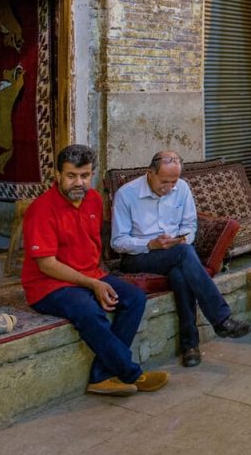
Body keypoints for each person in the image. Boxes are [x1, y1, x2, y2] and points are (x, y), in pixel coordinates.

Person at [22, 144, 169, 396]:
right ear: (57, 175)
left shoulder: (93, 200)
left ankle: (101, 377)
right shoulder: (41, 209)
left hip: (90, 274)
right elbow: (46, 264)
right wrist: (93, 285)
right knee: (89, 311)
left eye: (85, 175)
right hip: (49, 285)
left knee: (133, 298)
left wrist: (98, 279)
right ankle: (132, 373)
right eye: (71, 176)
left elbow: (92, 245)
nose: (78, 182)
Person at [112, 150, 251, 368]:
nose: (169, 188)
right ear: (150, 173)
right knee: (185, 256)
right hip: (138, 256)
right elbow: (118, 241)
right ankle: (221, 319)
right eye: (163, 182)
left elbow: (189, 225)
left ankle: (190, 346)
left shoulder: (182, 188)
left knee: (180, 273)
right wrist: (150, 244)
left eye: (173, 182)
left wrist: (182, 239)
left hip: (174, 252)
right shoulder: (126, 194)